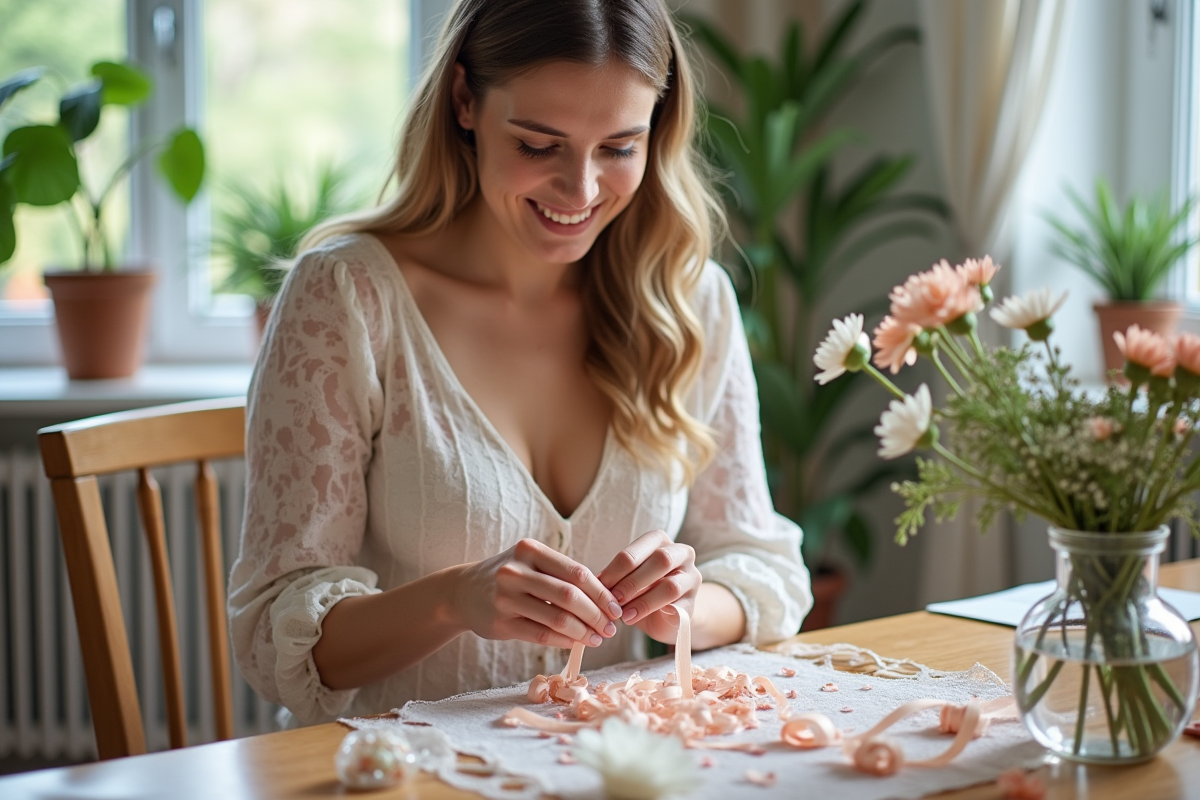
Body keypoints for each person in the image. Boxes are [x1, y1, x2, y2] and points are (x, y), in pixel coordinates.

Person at [228, 0, 813, 728]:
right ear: (464, 101)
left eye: (619, 147)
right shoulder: (347, 296)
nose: (582, 191)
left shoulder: (689, 302)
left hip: (607, 766)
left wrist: (688, 606)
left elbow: (761, 565)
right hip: (393, 768)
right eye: (539, 146)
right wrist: (453, 600)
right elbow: (273, 636)